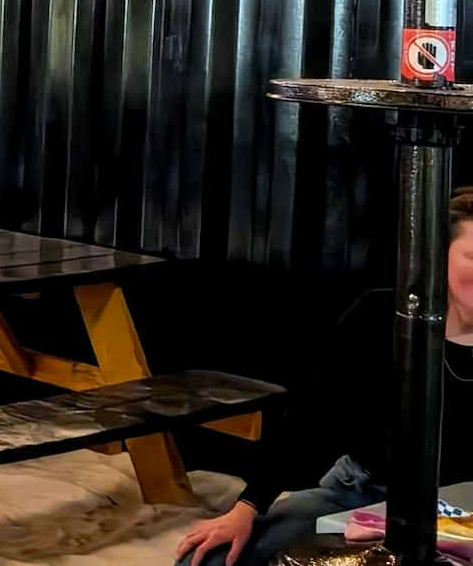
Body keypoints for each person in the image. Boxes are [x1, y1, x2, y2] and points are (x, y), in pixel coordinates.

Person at [174, 188, 473, 566]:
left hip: (457, 514)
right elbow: (311, 417)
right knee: (208, 559)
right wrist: (246, 507)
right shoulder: (378, 315)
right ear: (438, 255)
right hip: (357, 492)